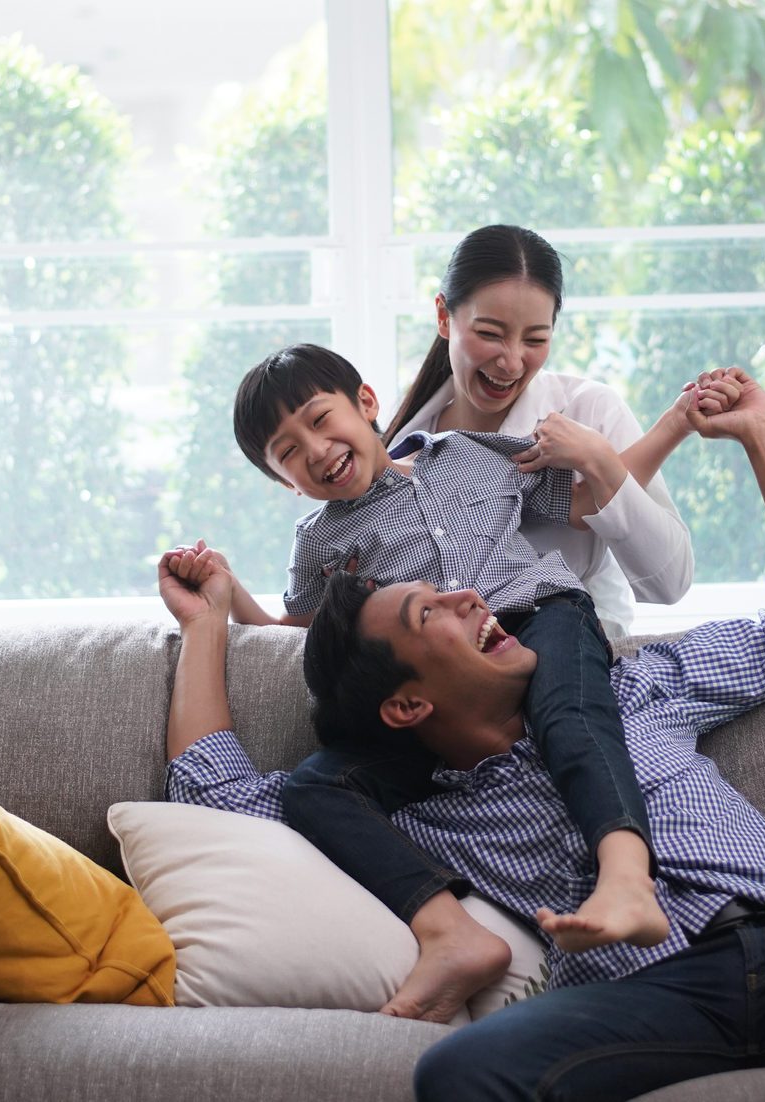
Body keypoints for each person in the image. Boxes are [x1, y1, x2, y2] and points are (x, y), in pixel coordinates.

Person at [157, 368, 765, 1102]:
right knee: (459, 1076)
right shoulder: (423, 811)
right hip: (644, 994)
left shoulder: (636, 685)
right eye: (428, 613)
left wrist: (760, 437)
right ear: (405, 706)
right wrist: (206, 628)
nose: (471, 593)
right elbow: (219, 792)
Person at [191, 343, 733, 1022]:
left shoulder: (469, 454)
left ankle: (625, 879)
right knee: (314, 784)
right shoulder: (318, 545)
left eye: (320, 420)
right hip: (439, 686)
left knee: (568, 715)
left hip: (538, 620)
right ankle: (449, 934)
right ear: (285, 483)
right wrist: (227, 593)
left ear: (365, 404)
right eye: (289, 453)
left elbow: (593, 499)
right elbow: (296, 635)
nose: (316, 449)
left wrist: (676, 423)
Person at [387, 223, 692, 641]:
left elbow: (669, 582)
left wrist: (598, 459)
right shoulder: (402, 446)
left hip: (576, 655)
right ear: (444, 317)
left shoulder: (590, 409)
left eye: (535, 339)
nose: (511, 363)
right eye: (489, 334)